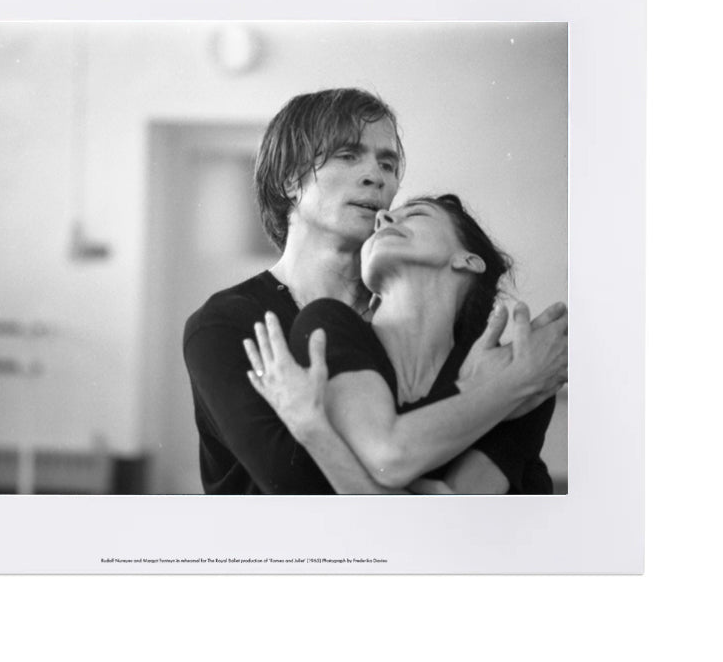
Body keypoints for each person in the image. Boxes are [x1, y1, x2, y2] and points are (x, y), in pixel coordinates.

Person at [183, 88, 566, 494]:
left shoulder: (438, 327)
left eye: (388, 163)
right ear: (290, 180)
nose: (376, 176)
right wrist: (492, 396)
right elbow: (300, 487)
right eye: (348, 156)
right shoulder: (228, 323)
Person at [245, 194, 565, 493]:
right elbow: (389, 457)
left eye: (415, 214)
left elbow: (445, 522)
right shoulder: (327, 323)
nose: (382, 217)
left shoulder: (521, 367)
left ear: (468, 260)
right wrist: (515, 383)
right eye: (382, 221)